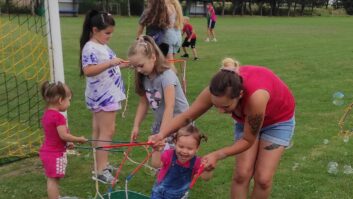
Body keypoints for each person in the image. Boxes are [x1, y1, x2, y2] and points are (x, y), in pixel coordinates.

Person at [151, 57, 296, 198]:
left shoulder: (256, 98)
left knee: (263, 179)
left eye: (226, 106)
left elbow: (247, 140)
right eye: (216, 105)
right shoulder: (216, 90)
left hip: (278, 122)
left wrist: (217, 154)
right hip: (247, 118)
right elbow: (186, 117)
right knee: (241, 174)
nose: (221, 111)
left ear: (240, 95)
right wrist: (161, 134)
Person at [79, 10, 129, 184]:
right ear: (94, 30)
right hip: (102, 96)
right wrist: (110, 62)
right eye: (107, 33)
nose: (110, 36)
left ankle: (101, 164)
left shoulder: (101, 45)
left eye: (111, 33)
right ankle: (100, 171)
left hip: (107, 94)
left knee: (101, 131)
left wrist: (123, 64)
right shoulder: (90, 47)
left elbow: (109, 66)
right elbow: (89, 70)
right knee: (106, 132)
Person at [128, 35, 189, 149]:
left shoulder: (167, 77)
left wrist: (163, 134)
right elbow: (143, 103)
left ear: (153, 57)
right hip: (162, 122)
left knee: (177, 159)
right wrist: (136, 126)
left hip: (179, 124)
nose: (138, 70)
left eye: (141, 65)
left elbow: (169, 107)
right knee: (157, 162)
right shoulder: (144, 77)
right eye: (134, 67)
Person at [39, 81, 87, 199]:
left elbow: (55, 134)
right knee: (53, 180)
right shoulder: (59, 117)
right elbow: (63, 135)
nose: (69, 103)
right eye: (69, 100)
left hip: (47, 152)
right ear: (61, 100)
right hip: (55, 154)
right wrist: (78, 139)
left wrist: (69, 142)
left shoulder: (47, 114)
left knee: (51, 179)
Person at [150, 124, 212, 199]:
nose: (184, 151)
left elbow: (206, 178)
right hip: (159, 193)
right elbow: (156, 165)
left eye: (190, 148)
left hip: (179, 196)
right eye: (181, 146)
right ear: (175, 143)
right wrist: (156, 150)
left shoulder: (197, 162)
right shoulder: (169, 154)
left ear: (197, 148)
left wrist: (207, 169)